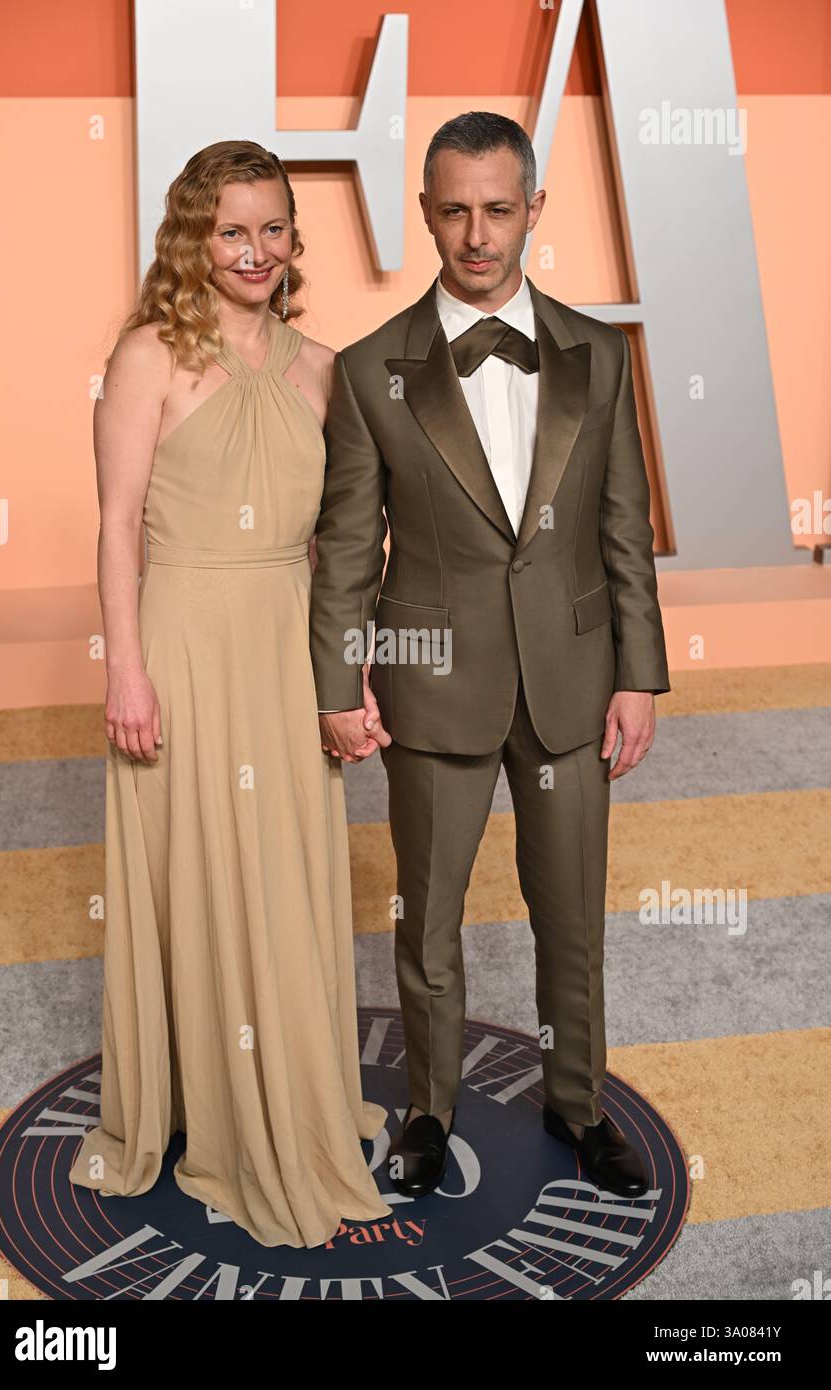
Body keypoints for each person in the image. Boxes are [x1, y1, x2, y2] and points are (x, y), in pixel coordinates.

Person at [311, 111, 671, 1200]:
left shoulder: (597, 353)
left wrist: (636, 673)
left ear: (533, 210)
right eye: (454, 209)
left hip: (570, 679)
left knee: (572, 911)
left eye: (498, 209)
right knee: (426, 916)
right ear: (424, 211)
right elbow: (342, 543)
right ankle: (426, 1108)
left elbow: (623, 527)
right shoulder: (371, 368)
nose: (476, 234)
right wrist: (336, 685)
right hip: (432, 685)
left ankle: (578, 1103)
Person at [69, 139, 393, 1249]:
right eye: (229, 230)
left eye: (271, 228)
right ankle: (204, 1109)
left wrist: (344, 675)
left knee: (287, 872)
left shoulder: (324, 369)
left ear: (296, 238)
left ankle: (293, 1095)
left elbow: (348, 545)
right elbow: (114, 525)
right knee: (199, 871)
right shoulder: (149, 356)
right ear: (193, 239)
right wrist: (124, 667)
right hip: (186, 642)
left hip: (283, 640)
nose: (253, 250)